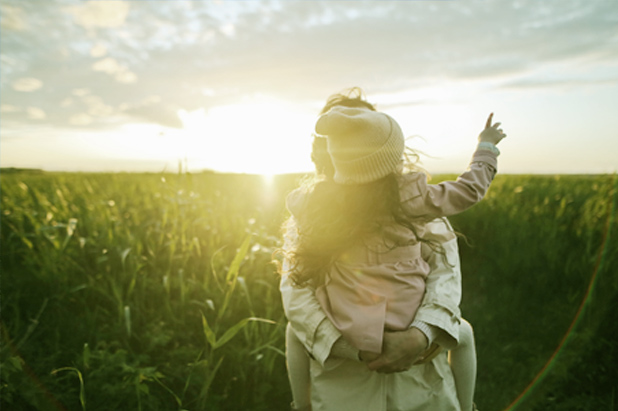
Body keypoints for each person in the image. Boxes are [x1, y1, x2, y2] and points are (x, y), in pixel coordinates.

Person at [279, 88, 506, 411]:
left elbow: (445, 276)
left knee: (294, 333)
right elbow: (297, 295)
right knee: (464, 333)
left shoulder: (314, 207)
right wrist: (486, 149)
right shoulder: (415, 200)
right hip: (344, 378)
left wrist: (420, 336)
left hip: (415, 375)